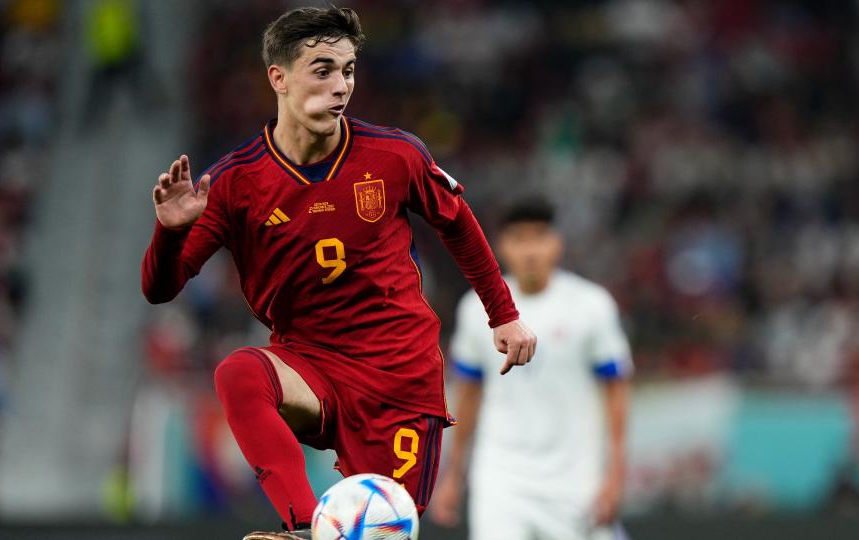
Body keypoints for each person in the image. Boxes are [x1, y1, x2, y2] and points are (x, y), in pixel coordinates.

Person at [140, 7, 536, 539]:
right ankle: (304, 527)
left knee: (377, 531)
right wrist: (169, 232)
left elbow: (458, 223)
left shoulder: (394, 155)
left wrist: (503, 315)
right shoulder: (235, 183)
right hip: (310, 364)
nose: (341, 85)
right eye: (323, 70)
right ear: (278, 78)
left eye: (348, 70)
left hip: (398, 375)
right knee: (239, 372)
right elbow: (159, 288)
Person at [430, 197, 632, 540]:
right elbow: (468, 395)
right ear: (501, 246)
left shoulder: (591, 305)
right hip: (501, 480)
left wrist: (615, 476)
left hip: (575, 482)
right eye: (519, 239)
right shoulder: (476, 309)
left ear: (557, 243)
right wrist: (453, 473)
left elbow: (616, 391)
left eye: (539, 237)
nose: (530, 250)